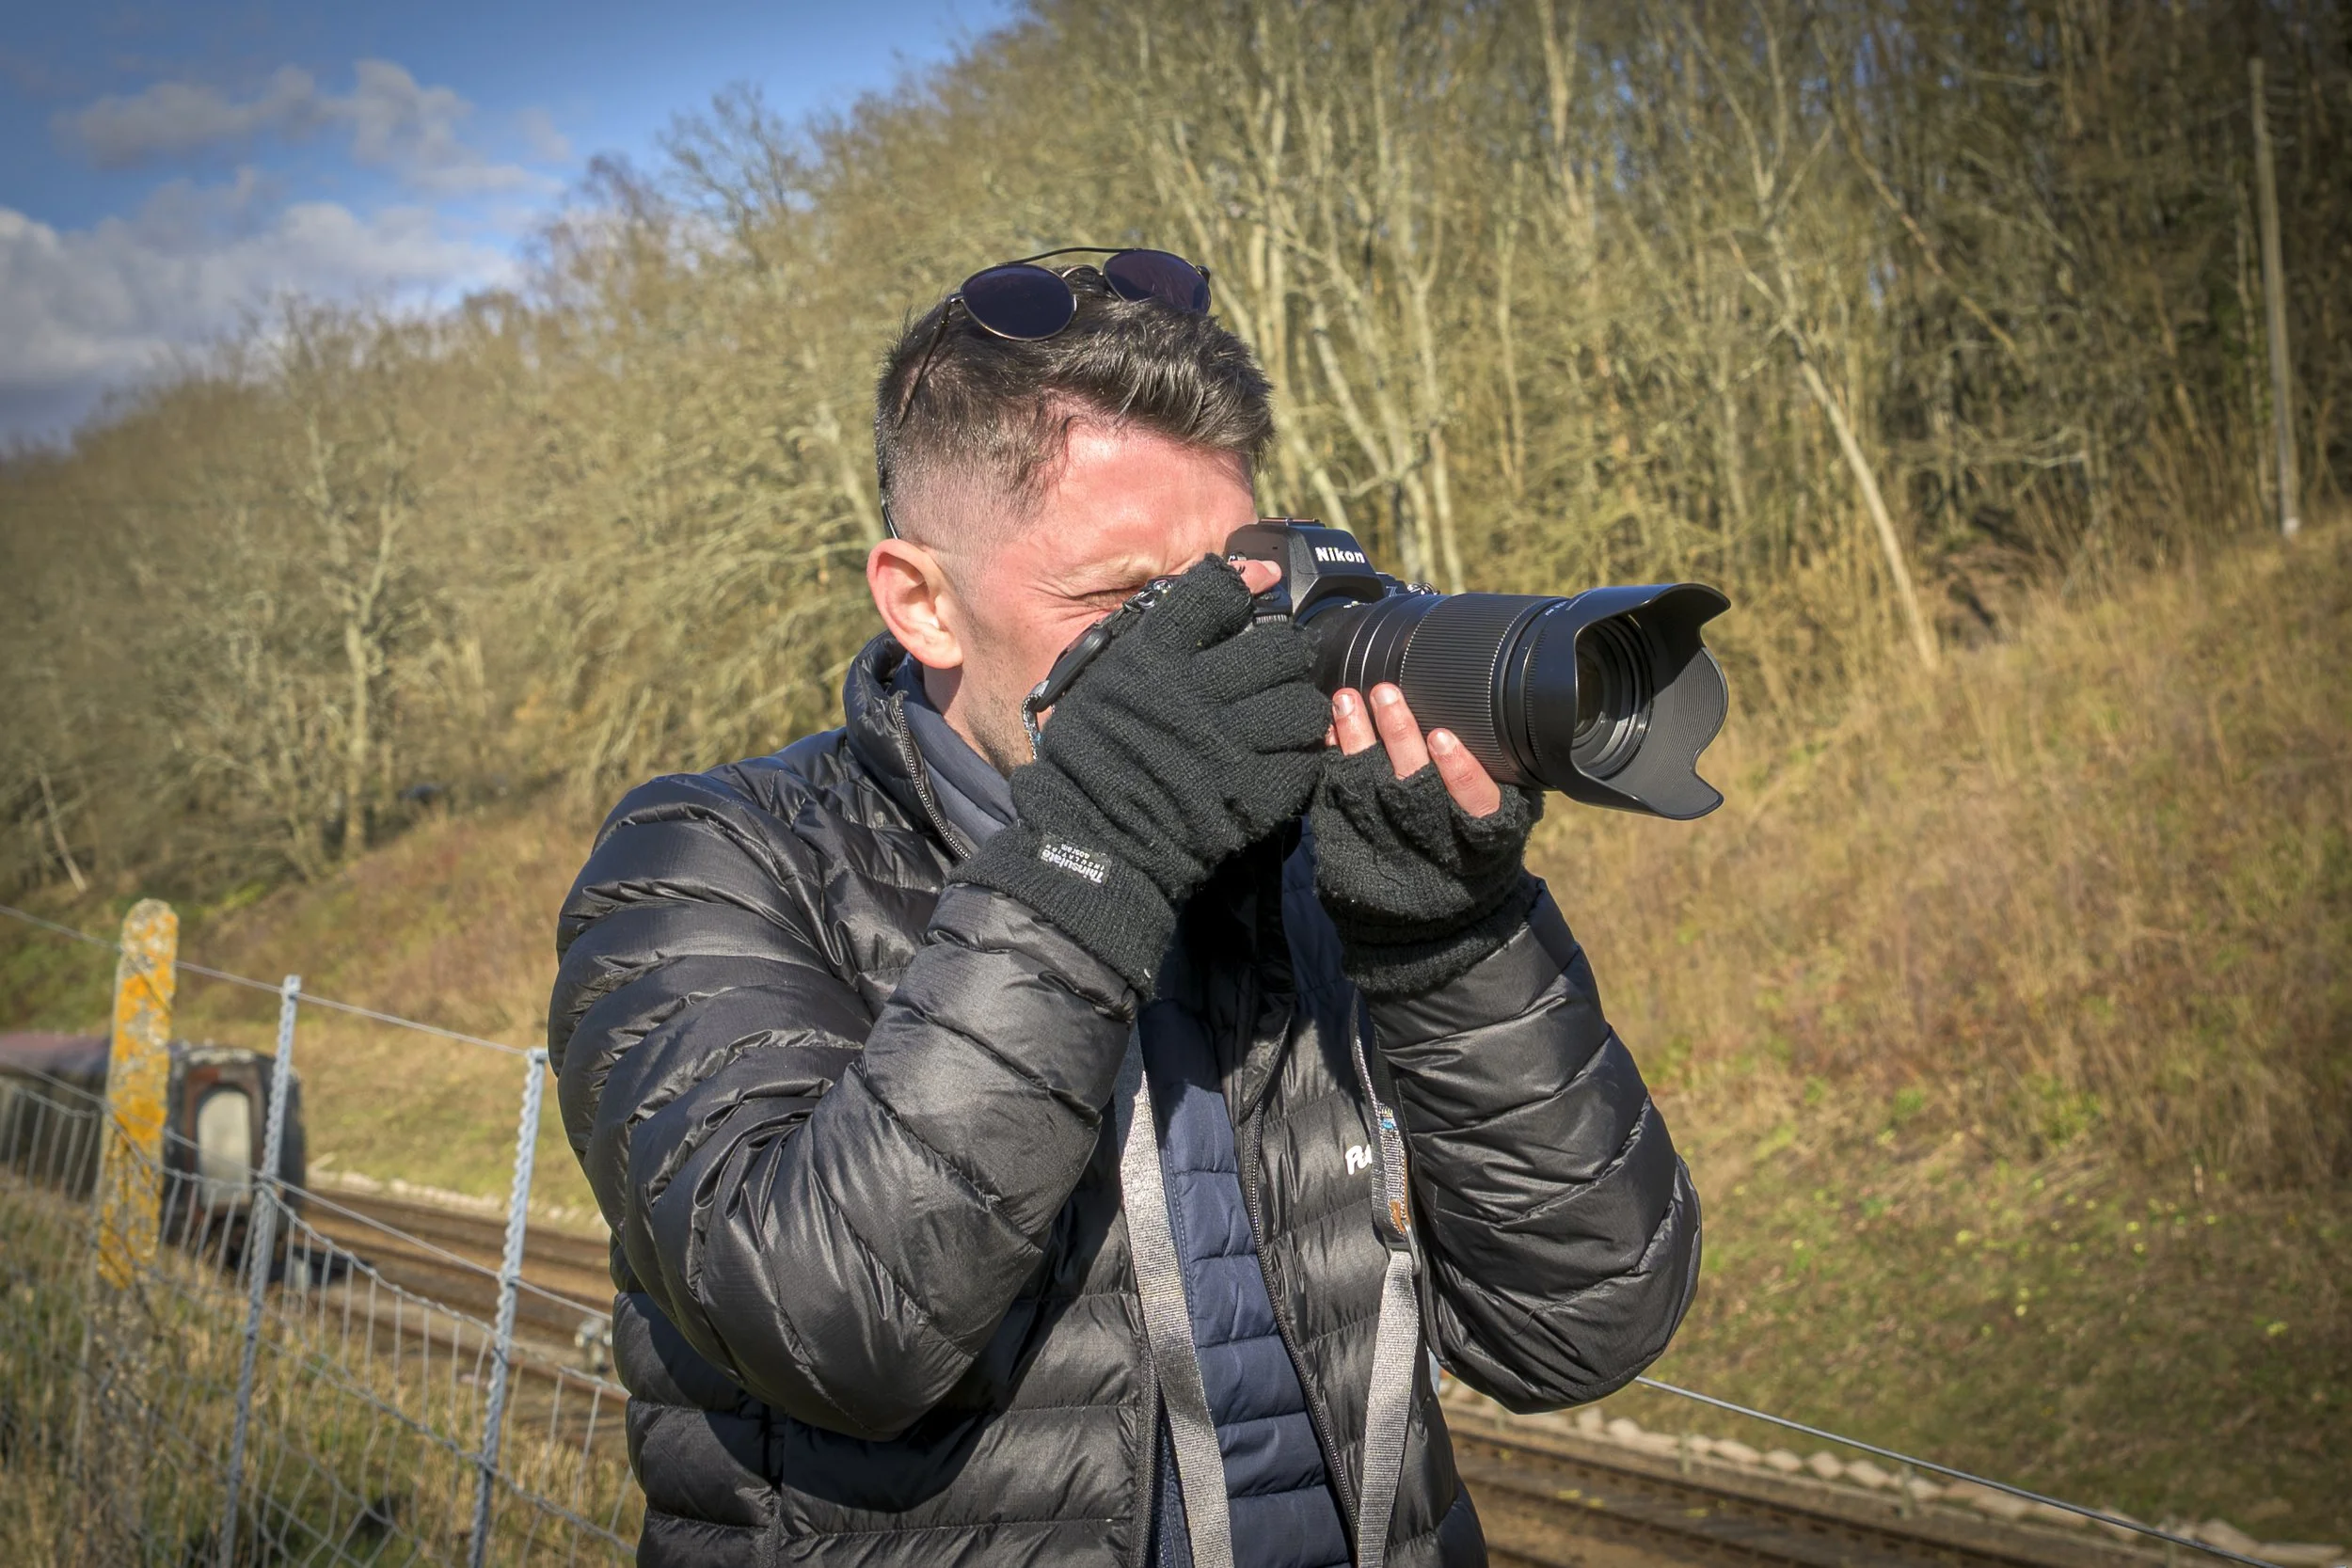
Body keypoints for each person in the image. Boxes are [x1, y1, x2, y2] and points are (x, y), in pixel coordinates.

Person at [548, 248, 1700, 1568]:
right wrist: (1097, 850)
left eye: (1231, 588)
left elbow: (1584, 1325)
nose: (1201, 653)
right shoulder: (709, 859)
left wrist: (1446, 942)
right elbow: (834, 1321)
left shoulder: (1309, 864)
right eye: (1118, 604)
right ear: (922, 601)